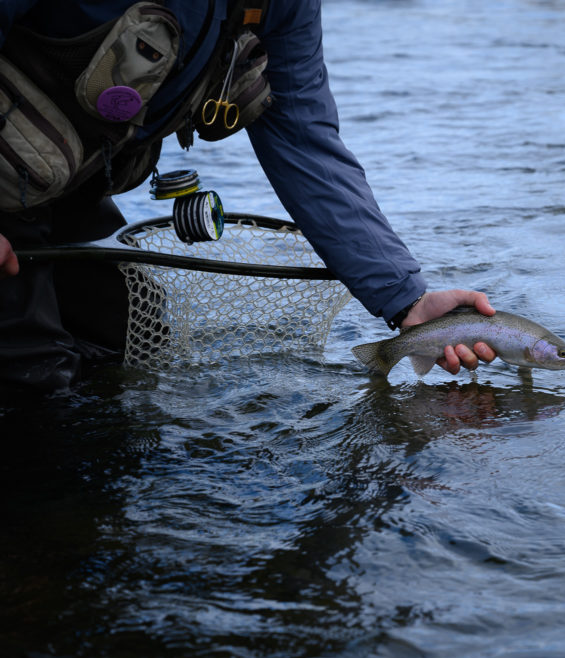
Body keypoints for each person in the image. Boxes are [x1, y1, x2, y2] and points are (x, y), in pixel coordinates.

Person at [0, 0, 495, 393]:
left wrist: (407, 300)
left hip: (62, 184)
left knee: (125, 339)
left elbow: (304, 141)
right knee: (36, 372)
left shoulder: (284, 6)